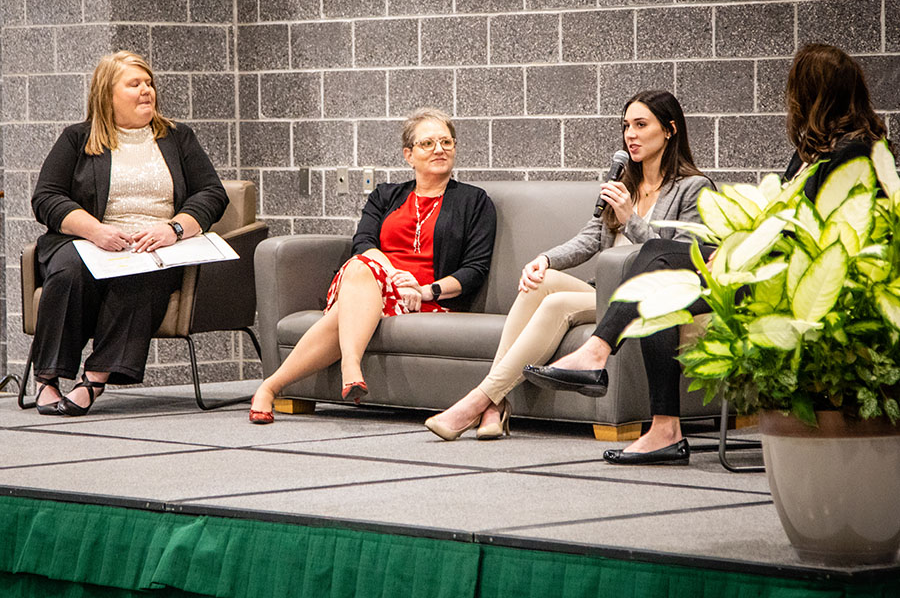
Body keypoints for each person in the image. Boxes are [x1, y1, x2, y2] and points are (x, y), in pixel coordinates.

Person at [525, 43, 888, 465]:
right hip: (761, 270)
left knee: (658, 256)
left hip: (797, 284)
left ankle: (597, 354)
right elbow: (777, 219)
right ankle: (663, 430)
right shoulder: (813, 151)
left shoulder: (855, 153)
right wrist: (738, 249)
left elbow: (825, 233)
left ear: (814, 94)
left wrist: (744, 255)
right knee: (659, 292)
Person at [424, 90, 714, 441]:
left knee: (557, 302)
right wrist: (545, 259)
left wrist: (631, 218)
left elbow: (683, 259)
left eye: (641, 125)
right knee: (540, 282)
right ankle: (493, 405)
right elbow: (590, 238)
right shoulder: (624, 182)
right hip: (604, 291)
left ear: (669, 130)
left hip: (641, 299)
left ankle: (479, 401)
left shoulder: (693, 188)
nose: (631, 135)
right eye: (626, 126)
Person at [248, 108, 497, 424]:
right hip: (373, 283)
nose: (439, 149)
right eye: (428, 143)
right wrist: (391, 274)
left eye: (447, 142)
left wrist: (425, 290)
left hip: (424, 299)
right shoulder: (386, 195)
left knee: (347, 303)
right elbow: (363, 243)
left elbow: (474, 269)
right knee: (359, 267)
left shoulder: (475, 201)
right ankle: (349, 364)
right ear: (409, 154)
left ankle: (272, 386)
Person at [29, 51, 228, 417]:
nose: (146, 91)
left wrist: (174, 228)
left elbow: (212, 193)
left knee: (142, 276)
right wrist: (94, 230)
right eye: (134, 84)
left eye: (149, 83)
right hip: (89, 240)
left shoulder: (178, 137)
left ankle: (94, 377)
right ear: (107, 94)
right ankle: (48, 379)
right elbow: (46, 197)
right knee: (69, 270)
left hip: (155, 244)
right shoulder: (78, 139)